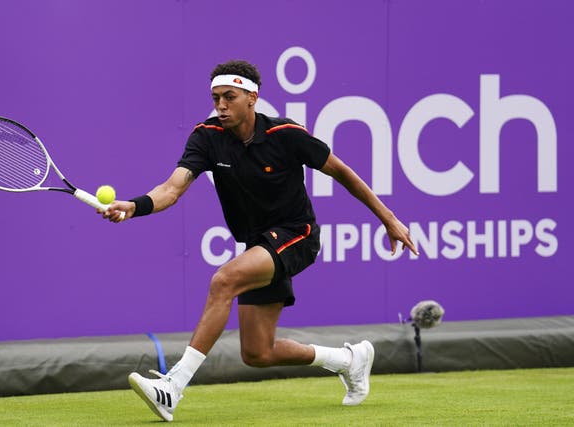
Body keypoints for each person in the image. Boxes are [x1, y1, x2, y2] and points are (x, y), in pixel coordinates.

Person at [100, 59, 418, 422]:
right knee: (258, 353)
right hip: (258, 243)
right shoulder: (206, 137)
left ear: (252, 98)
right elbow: (172, 189)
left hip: (298, 234)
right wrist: (134, 206)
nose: (220, 105)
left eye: (229, 97)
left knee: (224, 280)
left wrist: (389, 219)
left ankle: (173, 386)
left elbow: (343, 173)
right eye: (216, 97)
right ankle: (349, 360)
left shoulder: (286, 134)